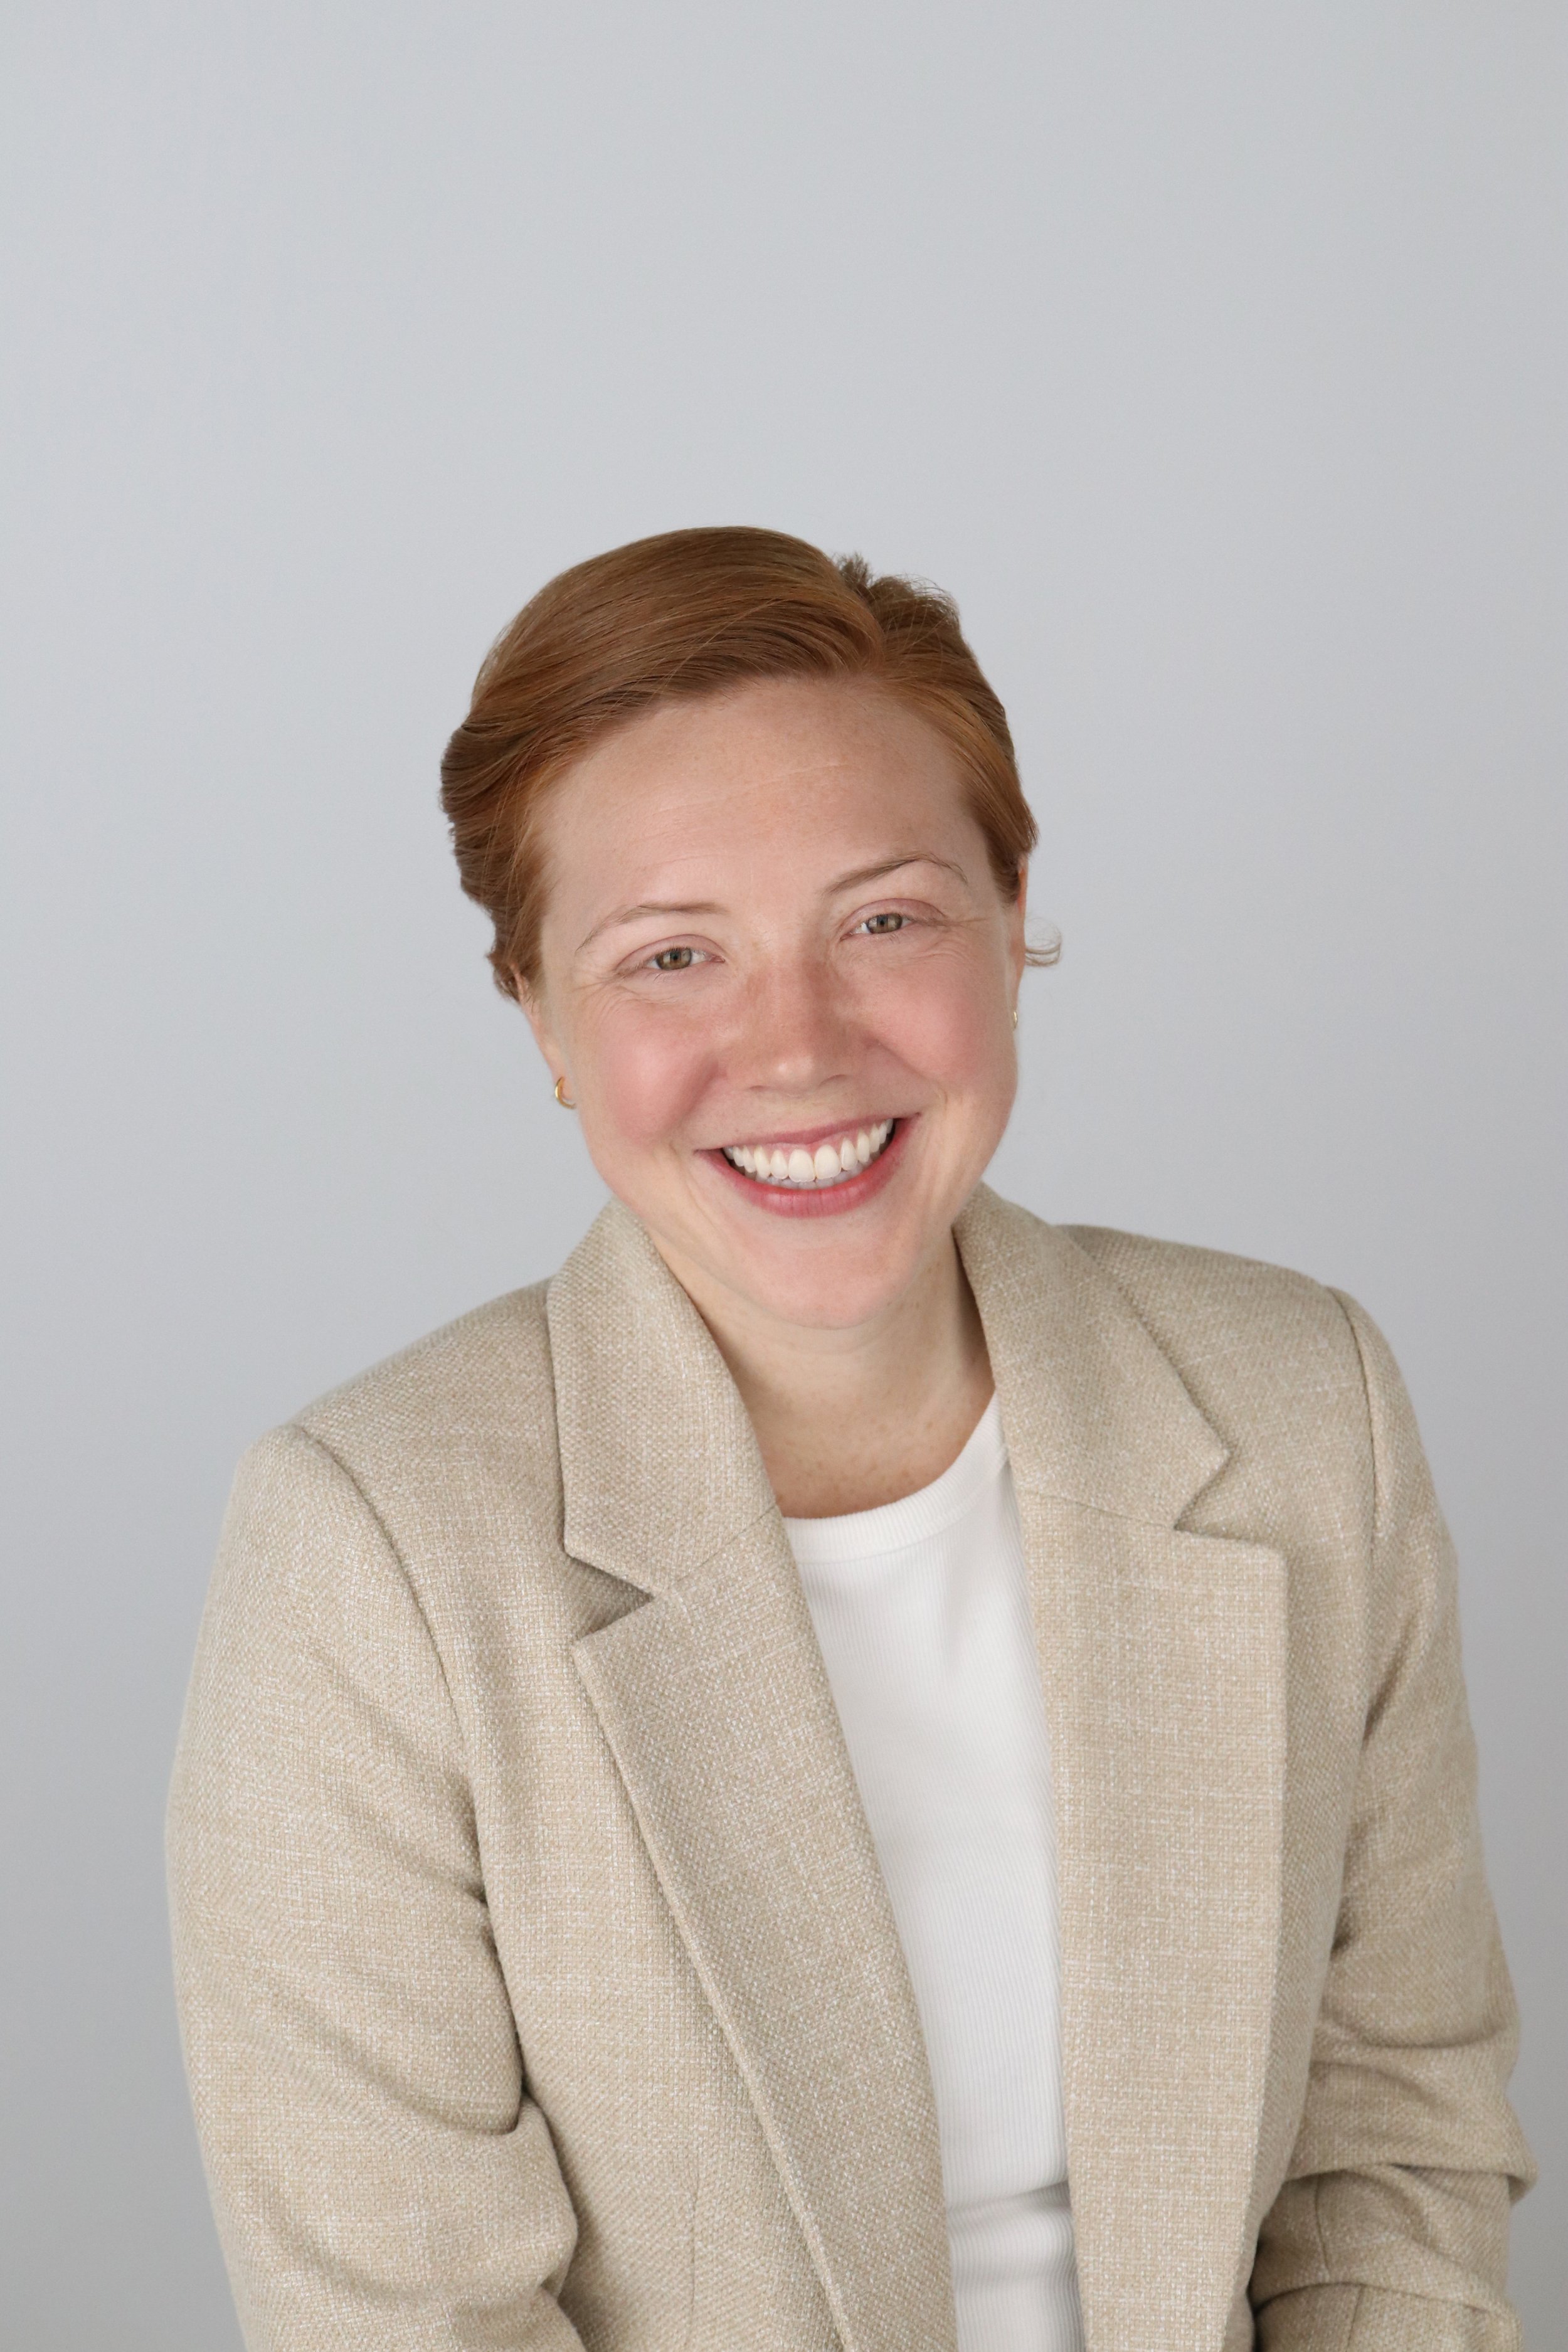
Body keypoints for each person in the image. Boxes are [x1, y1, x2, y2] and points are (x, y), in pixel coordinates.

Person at [167, 527, 1532, 2352]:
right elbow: (403, 2314)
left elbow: (1397, 2145)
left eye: (883, 919)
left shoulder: (1303, 1410)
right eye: (670, 956)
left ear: (1012, 910)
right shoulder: (375, 1545)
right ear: (539, 1014)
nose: (797, 1047)